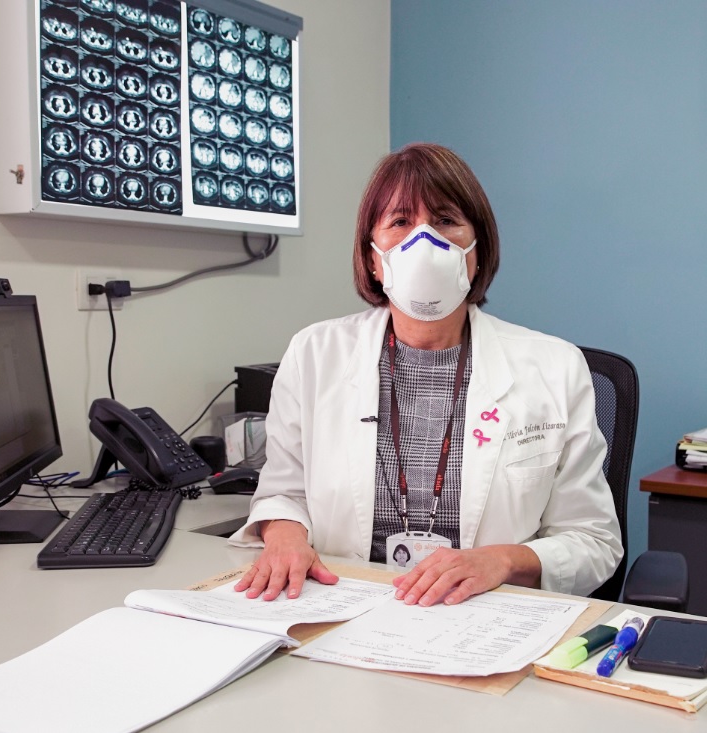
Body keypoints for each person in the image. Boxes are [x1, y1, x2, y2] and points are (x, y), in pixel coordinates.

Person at [229, 142, 623, 608]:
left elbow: (594, 540)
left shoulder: (555, 367)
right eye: (400, 222)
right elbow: (283, 493)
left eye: (445, 220)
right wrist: (285, 537)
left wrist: (501, 560)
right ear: (372, 259)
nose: (424, 242)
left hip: (483, 615)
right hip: (343, 606)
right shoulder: (314, 354)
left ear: (477, 249)